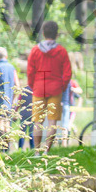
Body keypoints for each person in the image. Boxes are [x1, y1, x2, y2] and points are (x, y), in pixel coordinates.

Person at [27, 21, 72, 150]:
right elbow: (68, 73)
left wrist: (33, 85)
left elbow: (30, 71)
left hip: (39, 88)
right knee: (52, 122)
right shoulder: (62, 51)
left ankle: (36, 151)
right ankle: (47, 151)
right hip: (55, 89)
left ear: (43, 33)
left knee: (38, 121)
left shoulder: (35, 50)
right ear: (57, 34)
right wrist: (61, 86)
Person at [0, 47, 21, 152]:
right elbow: (18, 87)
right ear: (6, 56)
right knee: (7, 126)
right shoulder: (12, 68)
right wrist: (13, 100)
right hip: (9, 103)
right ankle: (5, 152)